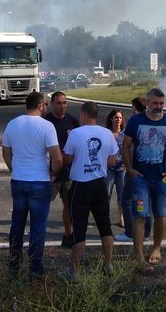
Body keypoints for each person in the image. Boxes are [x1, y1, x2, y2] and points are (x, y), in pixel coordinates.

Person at [2, 92, 62, 279]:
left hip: (19, 179)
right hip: (39, 180)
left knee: (17, 223)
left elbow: (6, 153)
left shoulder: (12, 124)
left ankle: (14, 263)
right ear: (42, 106)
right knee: (37, 226)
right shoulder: (46, 126)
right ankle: (35, 267)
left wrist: (14, 168)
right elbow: (57, 156)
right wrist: (53, 173)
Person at [122, 88, 166, 273]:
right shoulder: (136, 121)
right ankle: (139, 255)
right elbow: (126, 146)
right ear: (147, 103)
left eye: (161, 103)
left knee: (161, 214)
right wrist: (130, 169)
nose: (158, 107)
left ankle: (156, 248)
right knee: (140, 215)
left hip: (162, 178)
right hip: (141, 178)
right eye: (155, 103)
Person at [62, 101, 118, 280]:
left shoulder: (76, 133)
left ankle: (74, 271)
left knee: (79, 229)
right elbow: (112, 161)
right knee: (105, 225)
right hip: (100, 184)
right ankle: (109, 264)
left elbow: (67, 158)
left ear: (83, 114)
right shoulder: (107, 133)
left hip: (81, 185)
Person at [43, 91, 79, 248]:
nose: (62, 106)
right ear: (52, 104)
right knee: (42, 205)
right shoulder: (45, 122)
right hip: (48, 173)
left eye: (64, 103)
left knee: (68, 205)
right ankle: (39, 234)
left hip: (68, 173)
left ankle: (68, 234)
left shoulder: (73, 121)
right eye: (59, 103)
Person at [115, 97, 151, 243]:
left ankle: (130, 232)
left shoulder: (134, 121)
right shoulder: (151, 120)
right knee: (145, 200)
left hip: (134, 167)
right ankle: (146, 233)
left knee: (127, 199)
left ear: (135, 107)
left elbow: (125, 144)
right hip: (149, 165)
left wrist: (125, 163)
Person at [104, 108, 125, 228]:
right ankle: (104, 218)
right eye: (116, 117)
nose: (118, 120)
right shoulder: (106, 133)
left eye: (120, 118)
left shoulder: (125, 133)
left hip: (122, 168)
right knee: (106, 193)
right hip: (109, 168)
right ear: (111, 119)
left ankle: (122, 218)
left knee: (122, 195)